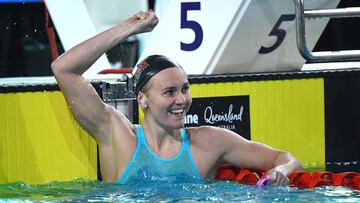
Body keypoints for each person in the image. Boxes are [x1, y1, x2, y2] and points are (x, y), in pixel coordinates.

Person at [51, 10, 302, 186]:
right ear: (143, 100)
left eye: (185, 88)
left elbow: (287, 159)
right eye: (169, 92)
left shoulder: (210, 141)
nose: (181, 99)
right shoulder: (116, 134)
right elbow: (64, 69)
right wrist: (129, 28)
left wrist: (280, 171)